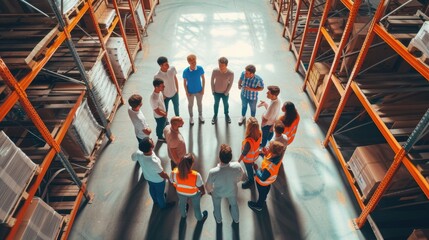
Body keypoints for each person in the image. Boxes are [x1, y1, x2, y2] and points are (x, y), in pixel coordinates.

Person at [131, 137, 174, 209]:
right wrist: (169, 178)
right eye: (151, 140)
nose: (152, 139)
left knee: (152, 189)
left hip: (148, 177)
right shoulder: (154, 161)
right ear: (152, 147)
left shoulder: (139, 153)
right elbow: (162, 174)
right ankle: (163, 206)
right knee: (160, 194)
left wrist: (138, 152)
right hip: (158, 180)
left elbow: (133, 158)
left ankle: (155, 201)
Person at [206, 144, 244, 224]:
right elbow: (241, 175)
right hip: (232, 191)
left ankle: (219, 220)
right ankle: (236, 220)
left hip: (217, 193)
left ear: (219, 157)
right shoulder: (237, 166)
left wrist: (210, 192)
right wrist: (235, 181)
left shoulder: (213, 172)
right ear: (231, 157)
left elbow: (208, 186)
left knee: (216, 207)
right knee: (234, 205)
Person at [248, 141, 285, 212]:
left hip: (263, 183)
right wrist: (265, 154)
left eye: (269, 147)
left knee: (262, 193)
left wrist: (256, 170)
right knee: (266, 190)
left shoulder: (270, 166)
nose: (267, 147)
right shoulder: (278, 156)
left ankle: (259, 205)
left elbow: (262, 177)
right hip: (270, 181)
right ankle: (264, 198)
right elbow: (269, 157)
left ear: (273, 152)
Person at [170, 153, 208, 222]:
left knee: (182, 203)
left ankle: (183, 215)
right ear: (191, 164)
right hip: (194, 194)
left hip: (180, 192)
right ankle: (200, 218)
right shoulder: (196, 175)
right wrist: (203, 192)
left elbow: (172, 181)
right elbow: (200, 186)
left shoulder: (174, 173)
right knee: (196, 207)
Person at [238, 117, 262, 189]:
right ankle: (253, 172)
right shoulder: (260, 133)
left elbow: (244, 153)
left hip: (248, 160)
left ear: (249, 128)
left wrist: (238, 161)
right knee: (251, 165)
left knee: (249, 169)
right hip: (254, 156)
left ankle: (251, 180)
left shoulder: (248, 142)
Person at [183, 54, 205, 125]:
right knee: (190, 105)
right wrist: (186, 92)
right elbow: (184, 82)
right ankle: (191, 117)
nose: (194, 63)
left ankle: (200, 115)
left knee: (199, 104)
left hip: (199, 90)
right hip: (190, 92)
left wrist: (203, 89)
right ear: (189, 62)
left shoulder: (200, 68)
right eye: (192, 62)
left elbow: (203, 79)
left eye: (195, 61)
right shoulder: (186, 71)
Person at [210, 57, 234, 124]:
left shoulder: (230, 73)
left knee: (226, 104)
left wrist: (227, 92)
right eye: (219, 65)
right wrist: (213, 90)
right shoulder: (215, 71)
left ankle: (226, 115)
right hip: (216, 92)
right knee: (216, 104)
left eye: (222, 65)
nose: (220, 67)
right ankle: (215, 115)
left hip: (225, 93)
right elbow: (212, 80)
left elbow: (231, 83)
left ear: (226, 65)